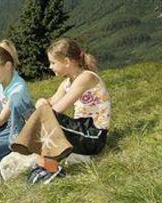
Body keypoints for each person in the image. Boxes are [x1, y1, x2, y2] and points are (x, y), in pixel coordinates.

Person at [12, 38, 111, 184]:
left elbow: (57, 109)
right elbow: (50, 102)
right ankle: (44, 163)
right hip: (81, 129)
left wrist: (41, 109)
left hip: (93, 136)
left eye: (53, 62)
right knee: (39, 114)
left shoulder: (86, 77)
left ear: (66, 61)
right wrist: (41, 102)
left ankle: (50, 168)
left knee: (48, 117)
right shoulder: (67, 82)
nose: (50, 67)